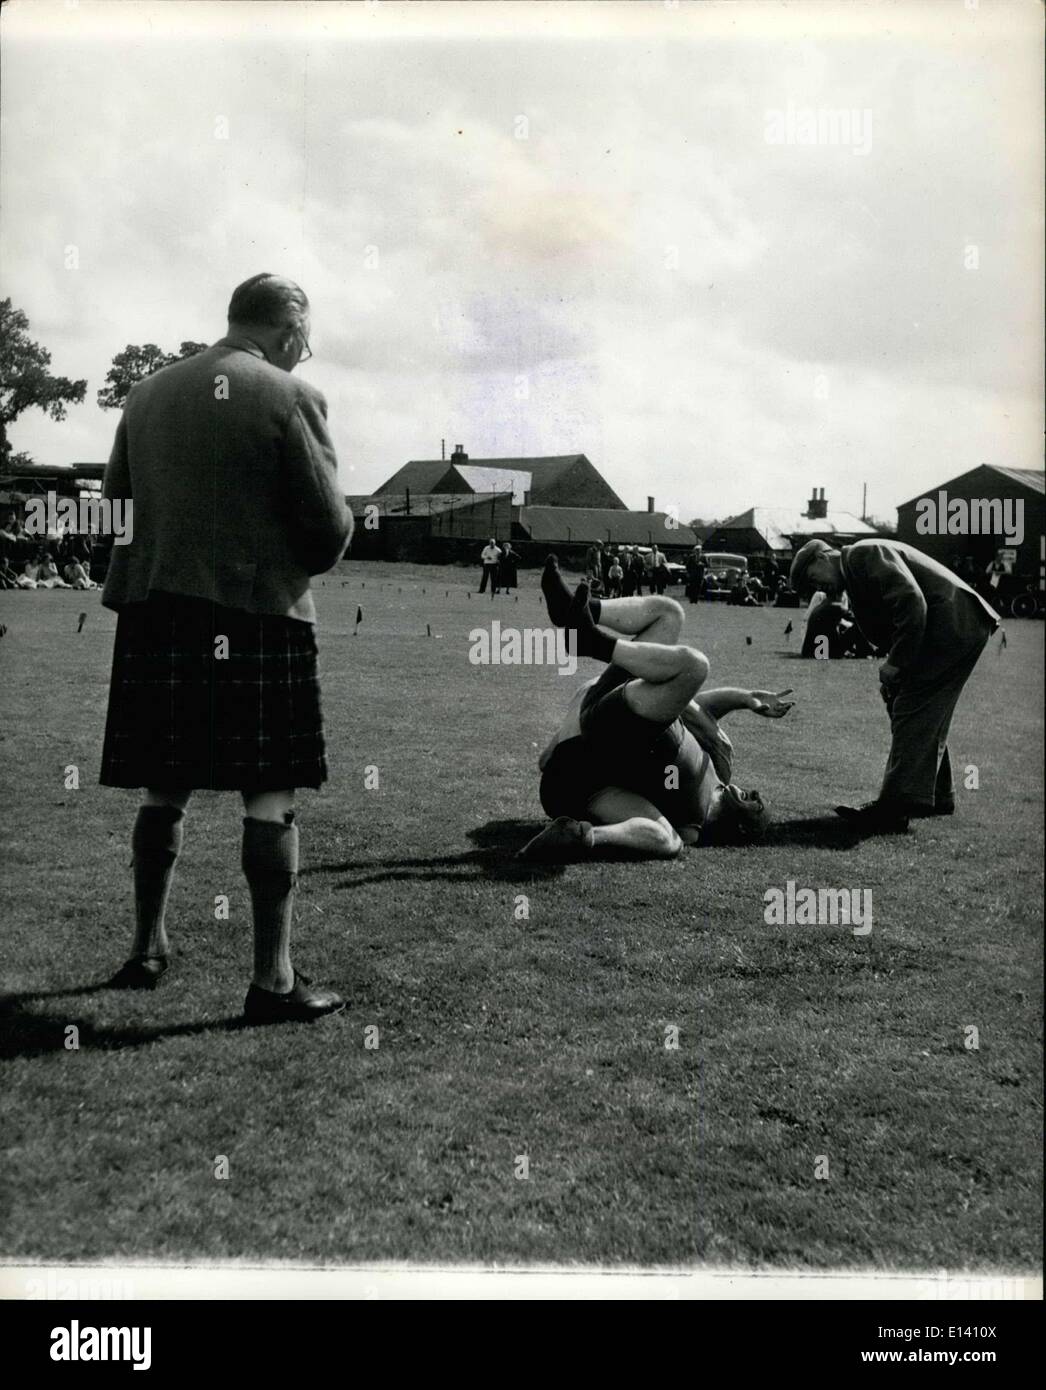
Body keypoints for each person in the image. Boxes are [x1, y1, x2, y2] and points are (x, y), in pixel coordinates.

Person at [99, 272, 353, 1021]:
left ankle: (147, 946)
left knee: (161, 782)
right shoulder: (289, 396)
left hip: (156, 616)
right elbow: (330, 530)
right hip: (257, 616)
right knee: (269, 791)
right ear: (288, 328)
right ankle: (273, 981)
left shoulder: (145, 394)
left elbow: (115, 509)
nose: (305, 352)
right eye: (304, 339)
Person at [518, 558, 794, 859]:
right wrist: (746, 698)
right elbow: (702, 708)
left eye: (758, 805)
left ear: (741, 828)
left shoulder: (691, 825)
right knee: (669, 613)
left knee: (694, 666)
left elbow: (660, 834)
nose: (755, 794)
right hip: (625, 709)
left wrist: (591, 835)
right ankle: (574, 611)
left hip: (617, 733)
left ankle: (590, 641)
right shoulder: (721, 770)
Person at [790, 537, 999, 833]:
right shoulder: (855, 568)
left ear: (824, 557)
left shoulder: (864, 554)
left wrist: (896, 663)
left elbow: (911, 602)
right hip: (954, 626)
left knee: (911, 709)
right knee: (919, 710)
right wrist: (896, 667)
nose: (818, 589)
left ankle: (895, 808)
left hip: (952, 625)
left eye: (813, 579)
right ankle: (937, 796)